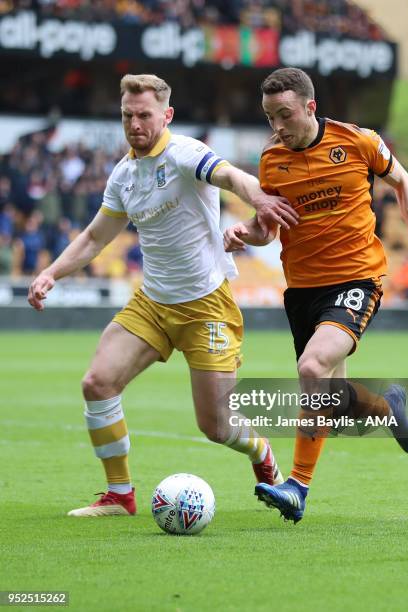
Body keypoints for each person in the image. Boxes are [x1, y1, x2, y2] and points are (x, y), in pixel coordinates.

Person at [28, 73, 299, 517]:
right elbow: (97, 237)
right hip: (152, 303)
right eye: (127, 115)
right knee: (97, 383)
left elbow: (232, 177)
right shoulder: (123, 175)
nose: (135, 123)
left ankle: (262, 454)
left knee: (215, 426)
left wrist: (262, 201)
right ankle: (119, 494)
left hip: (206, 306)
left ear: (166, 115)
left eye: (144, 115)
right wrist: (51, 272)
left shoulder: (185, 154)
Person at [223, 67, 408, 523]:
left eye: (284, 115)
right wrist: (244, 231)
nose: (277, 127)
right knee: (332, 396)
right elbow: (269, 228)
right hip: (302, 288)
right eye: (269, 118)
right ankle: (387, 407)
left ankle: (298, 487)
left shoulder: (358, 141)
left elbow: (404, 183)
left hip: (356, 279)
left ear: (310, 107)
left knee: (311, 367)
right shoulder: (272, 162)